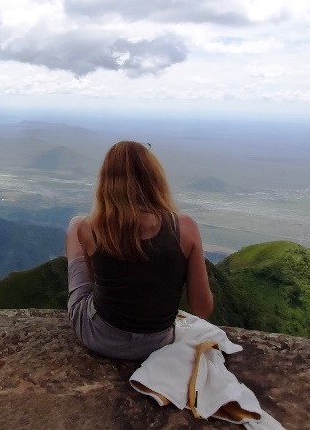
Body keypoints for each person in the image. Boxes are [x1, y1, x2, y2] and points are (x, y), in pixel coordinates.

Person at [65, 141, 213, 360]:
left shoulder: (91, 228)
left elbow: (95, 283)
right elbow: (202, 308)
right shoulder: (185, 228)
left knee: (75, 223)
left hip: (99, 337)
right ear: (154, 177)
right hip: (158, 343)